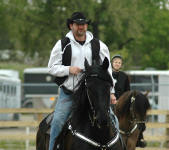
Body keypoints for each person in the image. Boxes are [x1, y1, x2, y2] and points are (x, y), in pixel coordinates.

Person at [48, 12, 117, 150]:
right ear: (71, 26)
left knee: (115, 121)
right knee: (57, 122)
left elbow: (107, 71)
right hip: (69, 94)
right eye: (78, 24)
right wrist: (68, 69)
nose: (81, 27)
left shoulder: (99, 45)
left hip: (93, 96)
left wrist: (111, 92)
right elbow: (51, 68)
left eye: (84, 24)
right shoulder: (62, 44)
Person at [111, 54, 147, 148]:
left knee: (135, 115)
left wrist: (125, 101)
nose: (117, 64)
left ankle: (139, 139)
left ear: (121, 65)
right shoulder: (107, 74)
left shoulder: (125, 76)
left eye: (119, 63)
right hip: (110, 101)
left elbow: (127, 91)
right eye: (116, 62)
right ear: (112, 63)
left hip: (122, 102)